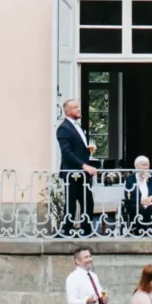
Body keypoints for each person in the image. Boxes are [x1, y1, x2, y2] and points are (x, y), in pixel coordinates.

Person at [55, 98, 97, 235]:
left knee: (87, 203)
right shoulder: (63, 128)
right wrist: (84, 166)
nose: (79, 109)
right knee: (71, 204)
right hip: (72, 173)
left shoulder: (80, 127)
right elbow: (67, 153)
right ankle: (67, 232)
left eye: (78, 107)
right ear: (67, 111)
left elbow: (79, 150)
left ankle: (87, 231)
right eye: (75, 108)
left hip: (83, 174)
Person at [122, 156, 152, 235]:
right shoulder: (130, 179)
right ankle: (139, 231)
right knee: (139, 209)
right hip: (137, 204)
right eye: (143, 165)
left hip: (151, 203)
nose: (145, 167)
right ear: (137, 166)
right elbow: (128, 195)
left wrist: (151, 198)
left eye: (147, 165)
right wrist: (141, 201)